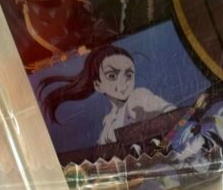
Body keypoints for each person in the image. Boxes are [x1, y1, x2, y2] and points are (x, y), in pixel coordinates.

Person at [38, 44, 176, 143]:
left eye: (128, 75)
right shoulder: (109, 121)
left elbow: (174, 115)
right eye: (112, 76)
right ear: (98, 86)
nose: (122, 83)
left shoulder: (138, 96)